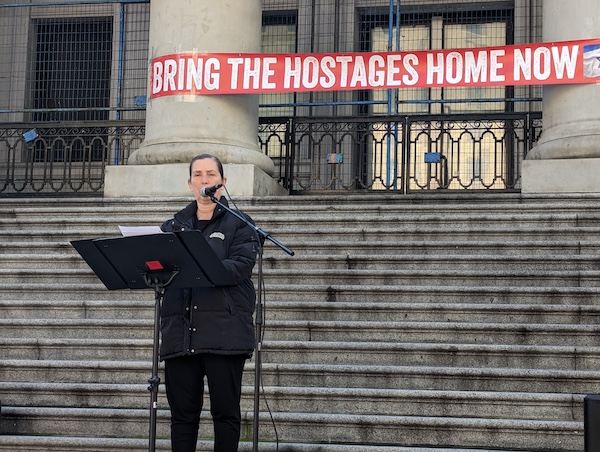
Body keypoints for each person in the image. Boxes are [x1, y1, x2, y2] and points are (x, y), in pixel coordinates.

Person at [159, 153, 259, 452]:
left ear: (223, 182)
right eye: (199, 175)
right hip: (180, 333)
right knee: (182, 417)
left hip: (224, 332)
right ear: (190, 183)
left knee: (225, 414)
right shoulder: (173, 226)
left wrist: (200, 265)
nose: (205, 180)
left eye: (211, 175)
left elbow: (240, 265)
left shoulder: (240, 225)